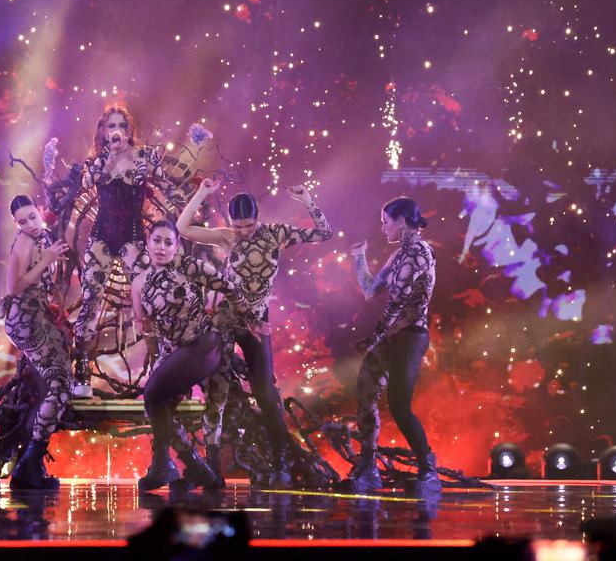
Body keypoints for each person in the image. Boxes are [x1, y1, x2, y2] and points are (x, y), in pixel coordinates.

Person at [179, 180, 333, 485]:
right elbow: (183, 228)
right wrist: (202, 193)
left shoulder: (276, 234)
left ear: (257, 219)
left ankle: (281, 463)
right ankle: (212, 468)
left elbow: (324, 233)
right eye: (238, 226)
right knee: (217, 393)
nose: (243, 231)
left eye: (248, 226)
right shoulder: (226, 237)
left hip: (258, 322)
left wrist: (307, 200)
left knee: (265, 393)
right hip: (226, 320)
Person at [56, 106, 185, 397]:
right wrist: (108, 159)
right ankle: (82, 375)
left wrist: (189, 205)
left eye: (121, 126)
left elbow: (167, 184)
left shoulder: (145, 157)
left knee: (152, 297)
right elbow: (84, 186)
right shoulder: (97, 162)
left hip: (132, 238)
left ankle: (163, 368)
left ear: (129, 130)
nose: (116, 131)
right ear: (103, 131)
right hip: (102, 238)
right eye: (110, 126)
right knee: (90, 302)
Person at [344, 196, 437, 492]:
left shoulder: (420, 253)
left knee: (398, 405)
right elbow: (371, 290)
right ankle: (368, 465)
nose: (383, 228)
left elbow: (399, 302)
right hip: (391, 336)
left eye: (386, 222)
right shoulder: (398, 255)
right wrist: (359, 258)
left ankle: (427, 468)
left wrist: (373, 337)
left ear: (402, 222)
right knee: (365, 392)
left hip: (410, 336)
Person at [132, 219, 230, 492]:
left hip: (203, 345)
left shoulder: (189, 268)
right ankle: (178, 466)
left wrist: (250, 323)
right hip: (174, 352)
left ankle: (195, 465)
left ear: (177, 247)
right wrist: (142, 325)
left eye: (168, 242)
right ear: (147, 243)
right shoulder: (138, 282)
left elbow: (229, 289)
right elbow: (143, 322)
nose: (161, 248)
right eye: (156, 241)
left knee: (153, 395)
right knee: (155, 401)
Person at [2, 193, 74, 489]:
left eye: (32, 217)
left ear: (40, 212)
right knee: (60, 385)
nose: (30, 224)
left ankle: (33, 462)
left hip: (38, 316)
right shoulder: (24, 241)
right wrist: (45, 261)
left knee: (47, 388)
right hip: (24, 319)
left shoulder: (45, 236)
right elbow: (14, 287)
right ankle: (28, 464)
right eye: (22, 221)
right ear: (15, 224)